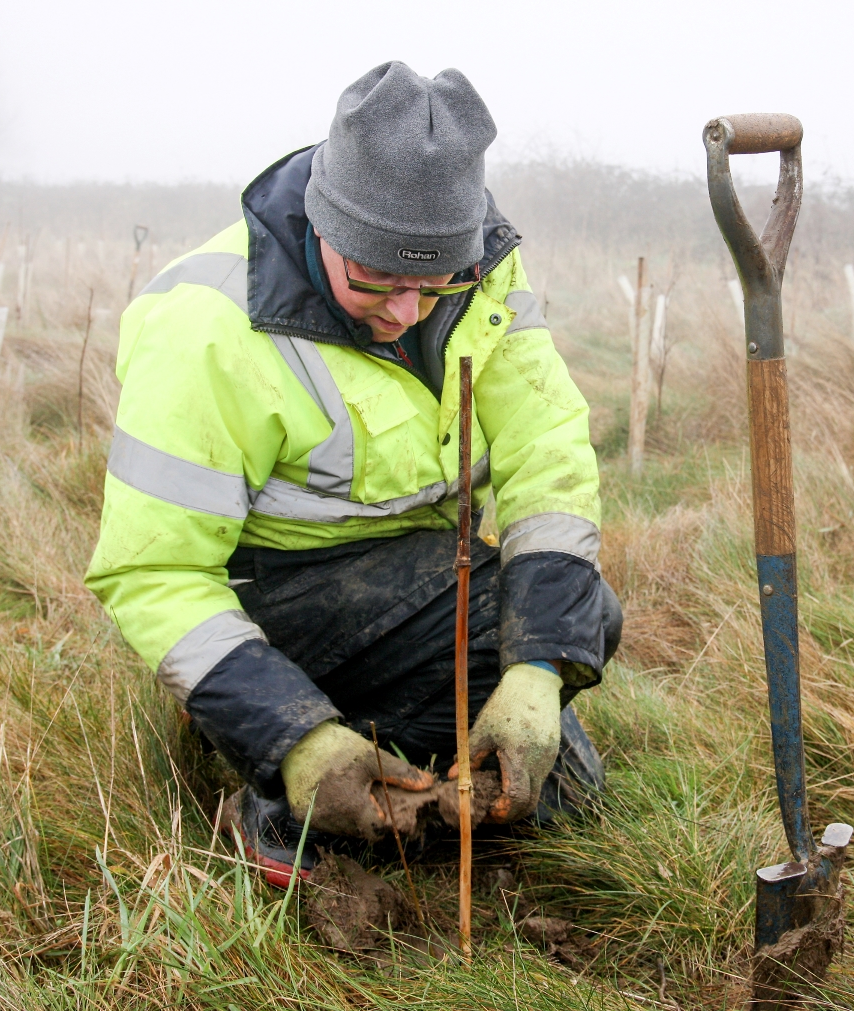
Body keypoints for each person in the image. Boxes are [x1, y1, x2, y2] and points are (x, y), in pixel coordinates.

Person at [84, 61, 619, 887]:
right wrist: (291, 736)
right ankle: (281, 788)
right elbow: (155, 570)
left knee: (564, 775)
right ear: (323, 226)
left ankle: (374, 756)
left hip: (422, 577)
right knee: (458, 717)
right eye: (376, 280)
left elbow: (547, 455)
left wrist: (539, 671)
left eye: (434, 282)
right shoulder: (209, 325)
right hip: (277, 597)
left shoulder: (486, 278)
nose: (406, 311)